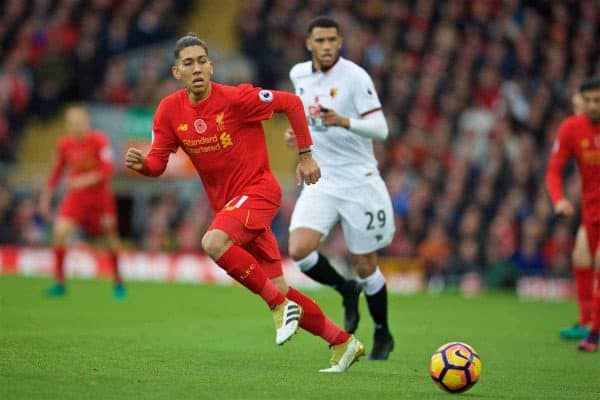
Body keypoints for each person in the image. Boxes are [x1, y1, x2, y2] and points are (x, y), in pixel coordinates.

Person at [124, 32, 365, 372]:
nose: (197, 68)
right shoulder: (168, 111)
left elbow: (291, 104)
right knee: (280, 288)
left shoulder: (237, 99)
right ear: (176, 72)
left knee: (212, 242)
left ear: (211, 67)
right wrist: (143, 166)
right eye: (188, 63)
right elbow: (158, 163)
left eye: (202, 61)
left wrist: (306, 156)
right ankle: (343, 342)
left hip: (259, 191)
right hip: (231, 209)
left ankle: (277, 308)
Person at [285, 17, 395, 360]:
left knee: (365, 264)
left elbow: (381, 129)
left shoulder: (356, 77)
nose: (328, 46)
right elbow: (306, 116)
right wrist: (300, 137)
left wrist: (343, 120)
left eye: (333, 39)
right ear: (309, 44)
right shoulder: (298, 75)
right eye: (320, 40)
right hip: (322, 176)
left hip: (359, 180)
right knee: (299, 250)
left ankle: (382, 332)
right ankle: (346, 290)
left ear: (341, 41)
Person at [39, 104, 125, 299]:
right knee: (60, 233)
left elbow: (108, 169)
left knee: (110, 241)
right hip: (76, 198)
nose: (75, 127)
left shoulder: (99, 141)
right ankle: (59, 282)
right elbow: (56, 172)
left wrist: (84, 180)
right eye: (71, 123)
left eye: (78, 123)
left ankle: (118, 281)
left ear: (86, 122)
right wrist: (46, 198)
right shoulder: (65, 144)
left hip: (100, 198)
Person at [546, 77, 600, 352]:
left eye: (596, 101)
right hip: (591, 210)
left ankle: (593, 333)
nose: (591, 106)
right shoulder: (572, 128)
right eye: (586, 100)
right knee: (581, 256)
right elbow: (554, 170)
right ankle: (586, 320)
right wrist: (559, 200)